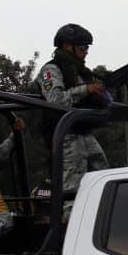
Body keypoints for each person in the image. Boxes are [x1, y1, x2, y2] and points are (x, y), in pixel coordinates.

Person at [34, 23, 110, 206]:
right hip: (65, 134)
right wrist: (86, 89)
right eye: (82, 47)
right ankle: (69, 226)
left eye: (87, 48)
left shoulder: (80, 71)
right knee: (72, 190)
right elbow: (56, 100)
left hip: (83, 132)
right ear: (67, 45)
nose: (86, 52)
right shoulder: (52, 70)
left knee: (102, 173)